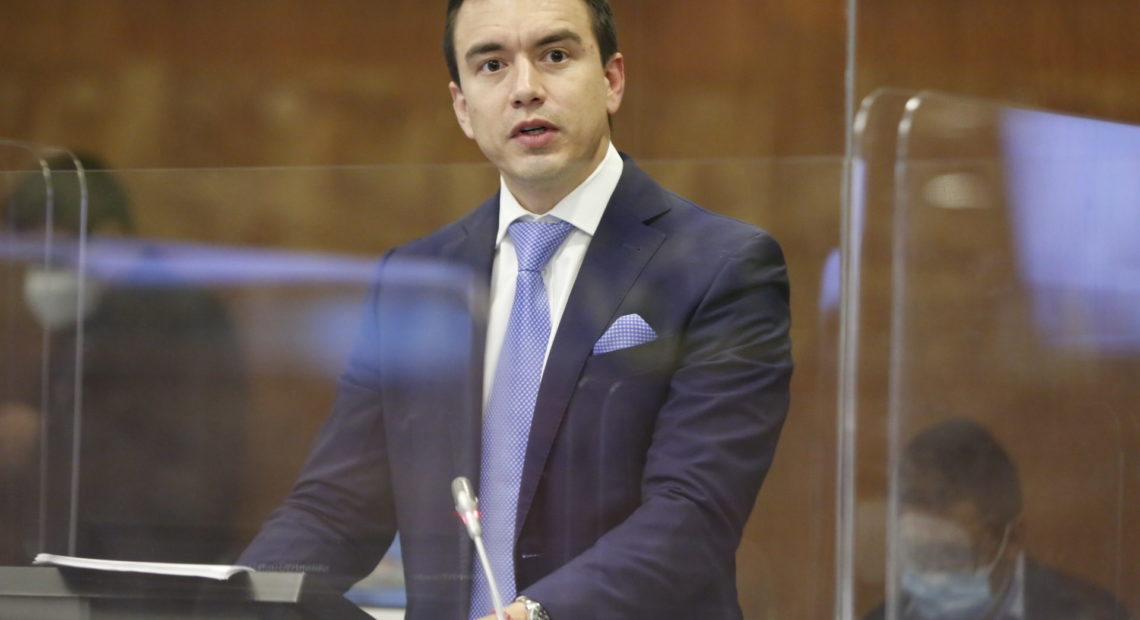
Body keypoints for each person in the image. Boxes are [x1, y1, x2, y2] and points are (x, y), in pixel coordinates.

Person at [240, 1, 793, 619]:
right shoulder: (417, 279)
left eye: (555, 55)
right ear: (462, 107)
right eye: (492, 65)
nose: (525, 89)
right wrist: (236, 596)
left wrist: (532, 615)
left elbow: (692, 513)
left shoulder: (722, 267)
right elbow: (336, 507)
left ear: (611, 80)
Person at [1, 153, 249, 564]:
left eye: (53, 259)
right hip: (78, 559)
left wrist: (42, 440)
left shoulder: (182, 318)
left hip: (151, 567)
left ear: (109, 237)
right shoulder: (87, 315)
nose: (41, 277)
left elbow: (191, 478)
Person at [864, 418, 1132, 620]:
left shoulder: (1090, 614)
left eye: (952, 553)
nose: (935, 574)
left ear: (1012, 539)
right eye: (918, 552)